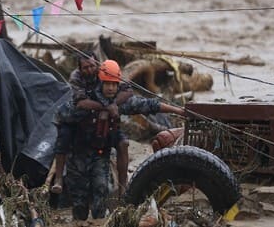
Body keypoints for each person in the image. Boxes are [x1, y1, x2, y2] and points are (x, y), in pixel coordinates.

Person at [66, 60, 187, 221]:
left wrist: (178, 110)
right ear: (99, 82)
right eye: (106, 84)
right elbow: (64, 123)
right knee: (79, 204)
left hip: (100, 154)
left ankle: (105, 212)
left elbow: (149, 104)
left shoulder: (118, 101)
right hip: (78, 156)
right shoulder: (85, 99)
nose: (110, 88)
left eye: (114, 84)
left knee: (101, 191)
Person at [51, 52, 133, 194]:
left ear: (97, 64)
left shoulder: (105, 70)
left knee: (122, 142)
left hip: (100, 116)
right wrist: (106, 107)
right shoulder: (76, 77)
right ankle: (58, 178)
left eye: (92, 66)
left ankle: (123, 186)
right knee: (63, 137)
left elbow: (128, 90)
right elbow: (82, 102)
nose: (89, 70)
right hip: (75, 117)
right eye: (85, 67)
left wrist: (113, 104)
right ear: (80, 69)